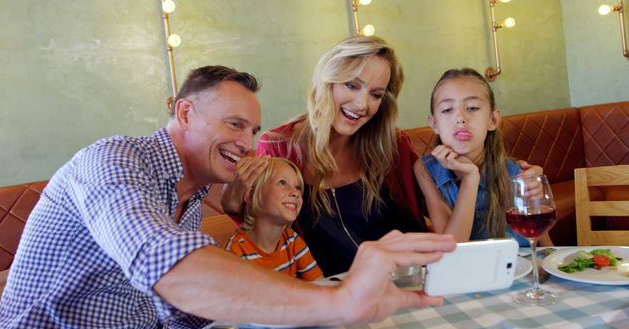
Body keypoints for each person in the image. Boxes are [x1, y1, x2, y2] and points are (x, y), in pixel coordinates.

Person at [0, 65, 457, 329]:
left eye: (254, 131)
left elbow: (179, 309)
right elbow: (163, 263)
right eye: (235, 124)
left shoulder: (190, 196)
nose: (249, 143)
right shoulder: (112, 160)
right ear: (186, 112)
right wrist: (340, 300)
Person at [221, 36, 542, 277]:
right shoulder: (279, 146)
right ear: (326, 82)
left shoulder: (391, 144)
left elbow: (445, 187)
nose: (363, 104)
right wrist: (232, 201)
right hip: (334, 285)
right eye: (352, 85)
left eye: (375, 94)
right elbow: (263, 222)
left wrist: (513, 174)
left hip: (411, 278)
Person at [414, 68, 552, 246]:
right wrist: (471, 178)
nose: (460, 118)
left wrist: (538, 196)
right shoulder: (426, 169)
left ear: (492, 120)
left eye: (472, 108)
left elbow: (545, 248)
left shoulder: (516, 174)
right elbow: (453, 248)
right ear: (434, 124)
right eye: (447, 109)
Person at [224, 157, 323, 281]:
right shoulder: (235, 253)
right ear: (251, 196)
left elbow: (320, 284)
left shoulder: (292, 240)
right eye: (282, 183)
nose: (295, 193)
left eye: (298, 187)